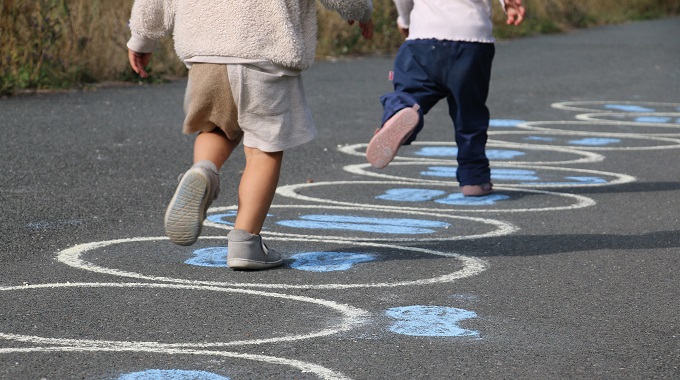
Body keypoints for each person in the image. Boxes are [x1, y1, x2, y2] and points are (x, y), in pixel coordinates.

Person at [126, 0, 374, 270]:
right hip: (265, 52)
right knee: (262, 149)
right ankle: (246, 242)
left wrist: (142, 39)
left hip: (205, 53)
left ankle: (204, 170)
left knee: (216, 128)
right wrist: (360, 10)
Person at [365, 0, 525, 196]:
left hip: (423, 36)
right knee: (469, 114)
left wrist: (405, 20)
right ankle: (474, 179)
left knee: (410, 93)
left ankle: (400, 110)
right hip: (472, 39)